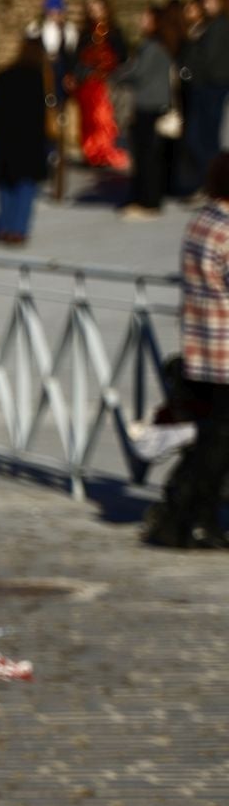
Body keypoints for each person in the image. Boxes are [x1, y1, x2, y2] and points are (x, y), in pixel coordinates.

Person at [147, 153, 229, 548]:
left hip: (202, 346)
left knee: (210, 439)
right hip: (226, 351)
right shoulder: (228, 230)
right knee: (216, 445)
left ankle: (180, 516)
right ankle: (196, 519)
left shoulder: (201, 221)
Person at [0, 36, 52, 244]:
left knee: (5, 184)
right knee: (25, 186)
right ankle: (18, 230)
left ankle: (4, 227)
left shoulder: (4, 75)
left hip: (4, 140)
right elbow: (42, 114)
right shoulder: (39, 78)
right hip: (30, 142)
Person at [118, 3, 182, 220]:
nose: (140, 22)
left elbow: (138, 73)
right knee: (148, 157)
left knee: (148, 158)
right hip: (151, 105)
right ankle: (145, 198)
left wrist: (117, 74)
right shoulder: (158, 45)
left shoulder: (152, 47)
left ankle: (148, 202)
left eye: (145, 18)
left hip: (150, 106)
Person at [72, 0, 131, 171]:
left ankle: (103, 152)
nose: (94, 12)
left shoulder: (114, 32)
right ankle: (90, 153)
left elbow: (122, 55)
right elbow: (78, 57)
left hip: (106, 83)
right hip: (87, 83)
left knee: (103, 118)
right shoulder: (85, 33)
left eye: (97, 7)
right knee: (88, 120)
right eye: (91, 8)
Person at [186, 0, 229, 178]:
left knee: (204, 136)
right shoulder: (210, 25)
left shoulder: (218, 26)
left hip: (211, 85)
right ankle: (206, 179)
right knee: (202, 135)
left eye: (210, 1)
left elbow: (207, 59)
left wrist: (189, 73)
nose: (206, 5)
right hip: (208, 84)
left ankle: (208, 179)